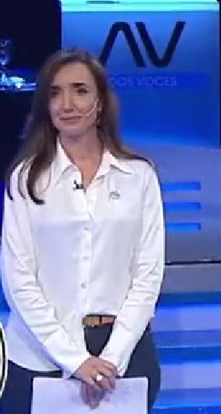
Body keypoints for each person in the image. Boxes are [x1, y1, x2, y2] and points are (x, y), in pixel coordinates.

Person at [0, 49, 165, 413]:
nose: (67, 103)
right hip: (38, 360)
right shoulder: (26, 179)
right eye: (55, 93)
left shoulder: (139, 176)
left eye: (80, 90)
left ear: (101, 102)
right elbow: (18, 280)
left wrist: (112, 358)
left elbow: (148, 275)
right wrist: (75, 360)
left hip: (124, 357)